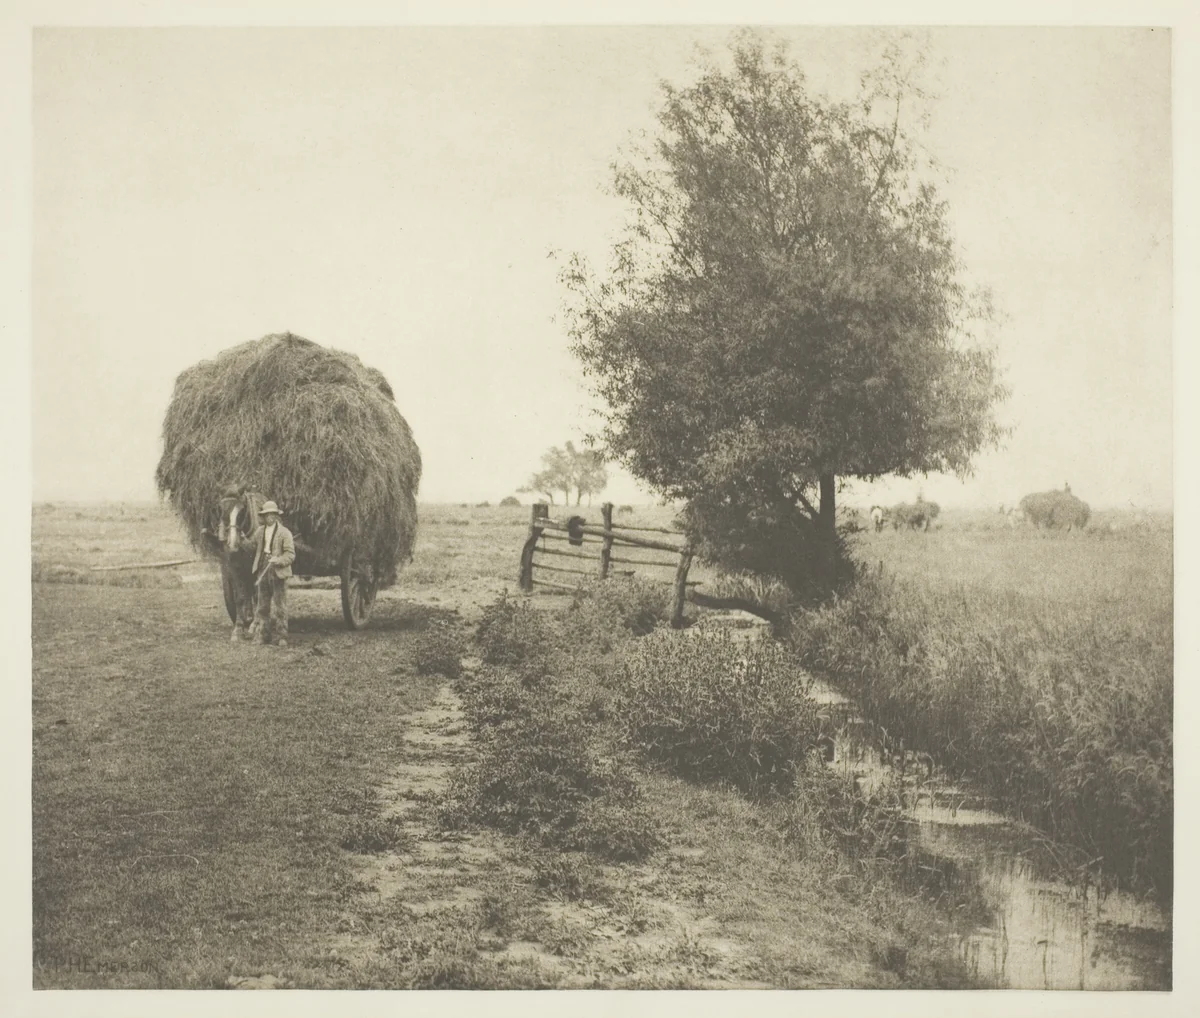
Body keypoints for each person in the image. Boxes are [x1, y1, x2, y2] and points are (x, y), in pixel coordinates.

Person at [251, 500, 295, 647]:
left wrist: (279, 560)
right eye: (267, 514)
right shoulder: (259, 532)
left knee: (280, 604)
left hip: (278, 571)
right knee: (262, 605)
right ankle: (263, 635)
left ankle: (282, 636)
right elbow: (251, 547)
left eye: (273, 514)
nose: (270, 517)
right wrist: (242, 539)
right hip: (263, 568)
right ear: (263, 516)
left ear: (277, 516)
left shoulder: (284, 533)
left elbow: (290, 554)